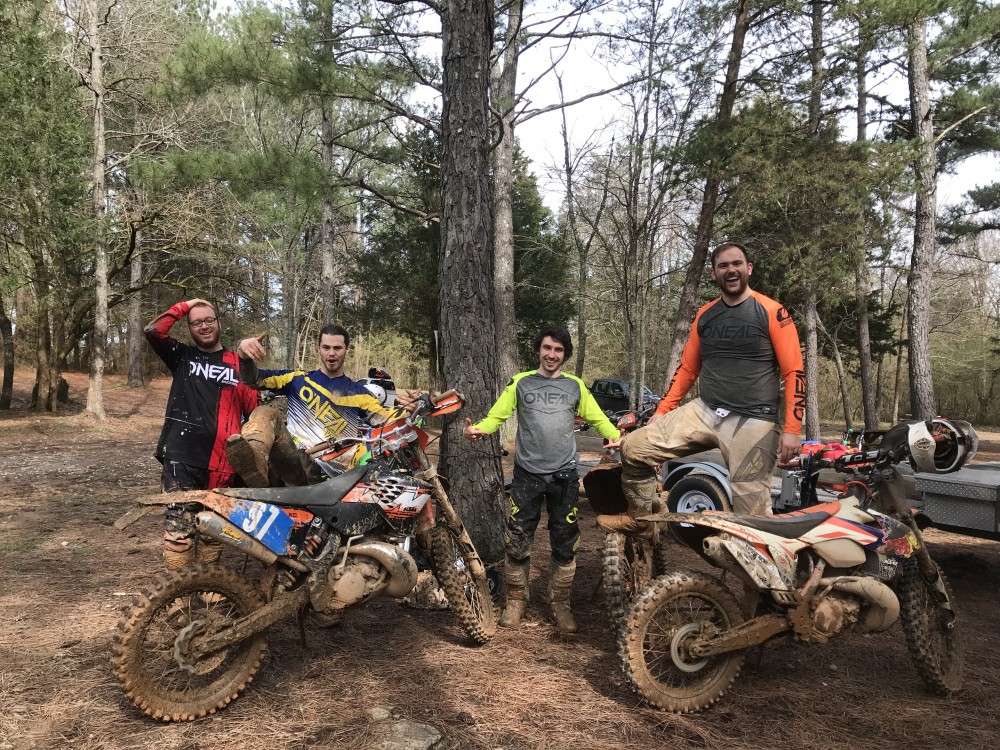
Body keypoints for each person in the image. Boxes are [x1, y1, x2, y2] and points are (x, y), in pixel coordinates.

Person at [598, 242, 805, 535]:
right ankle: (642, 519)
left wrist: (793, 429)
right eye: (723, 265)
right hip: (706, 410)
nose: (731, 270)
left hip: (754, 419)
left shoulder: (773, 312)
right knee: (634, 448)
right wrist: (662, 412)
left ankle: (760, 563)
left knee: (753, 518)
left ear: (748, 269)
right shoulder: (705, 315)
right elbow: (687, 369)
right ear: (713, 273)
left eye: (737, 263)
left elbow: (794, 371)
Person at [463, 325, 621, 634]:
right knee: (517, 539)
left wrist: (615, 436)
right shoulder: (520, 382)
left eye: (558, 350)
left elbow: (597, 417)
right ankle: (516, 601)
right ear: (539, 349)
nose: (552, 354)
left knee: (566, 540)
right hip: (526, 476)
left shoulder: (575, 385)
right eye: (547, 348)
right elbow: (497, 416)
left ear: (565, 354)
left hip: (564, 476)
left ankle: (560, 603)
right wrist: (478, 429)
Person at [145, 298, 260, 570]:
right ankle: (177, 589)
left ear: (219, 322)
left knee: (213, 533)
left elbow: (256, 411)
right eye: (196, 323)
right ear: (190, 328)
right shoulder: (182, 356)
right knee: (179, 531)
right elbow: (153, 331)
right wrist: (188, 304)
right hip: (181, 457)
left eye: (209, 320)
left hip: (224, 463)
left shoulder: (238, 364)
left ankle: (209, 586)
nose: (204, 326)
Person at [226, 324, 396, 487]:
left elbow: (388, 421)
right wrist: (244, 357)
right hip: (292, 462)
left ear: (347, 350)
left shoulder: (361, 394)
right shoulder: (297, 379)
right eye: (326, 347)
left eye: (337, 348)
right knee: (264, 412)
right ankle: (254, 461)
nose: (331, 353)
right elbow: (254, 379)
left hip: (334, 475)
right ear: (318, 349)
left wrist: (408, 411)